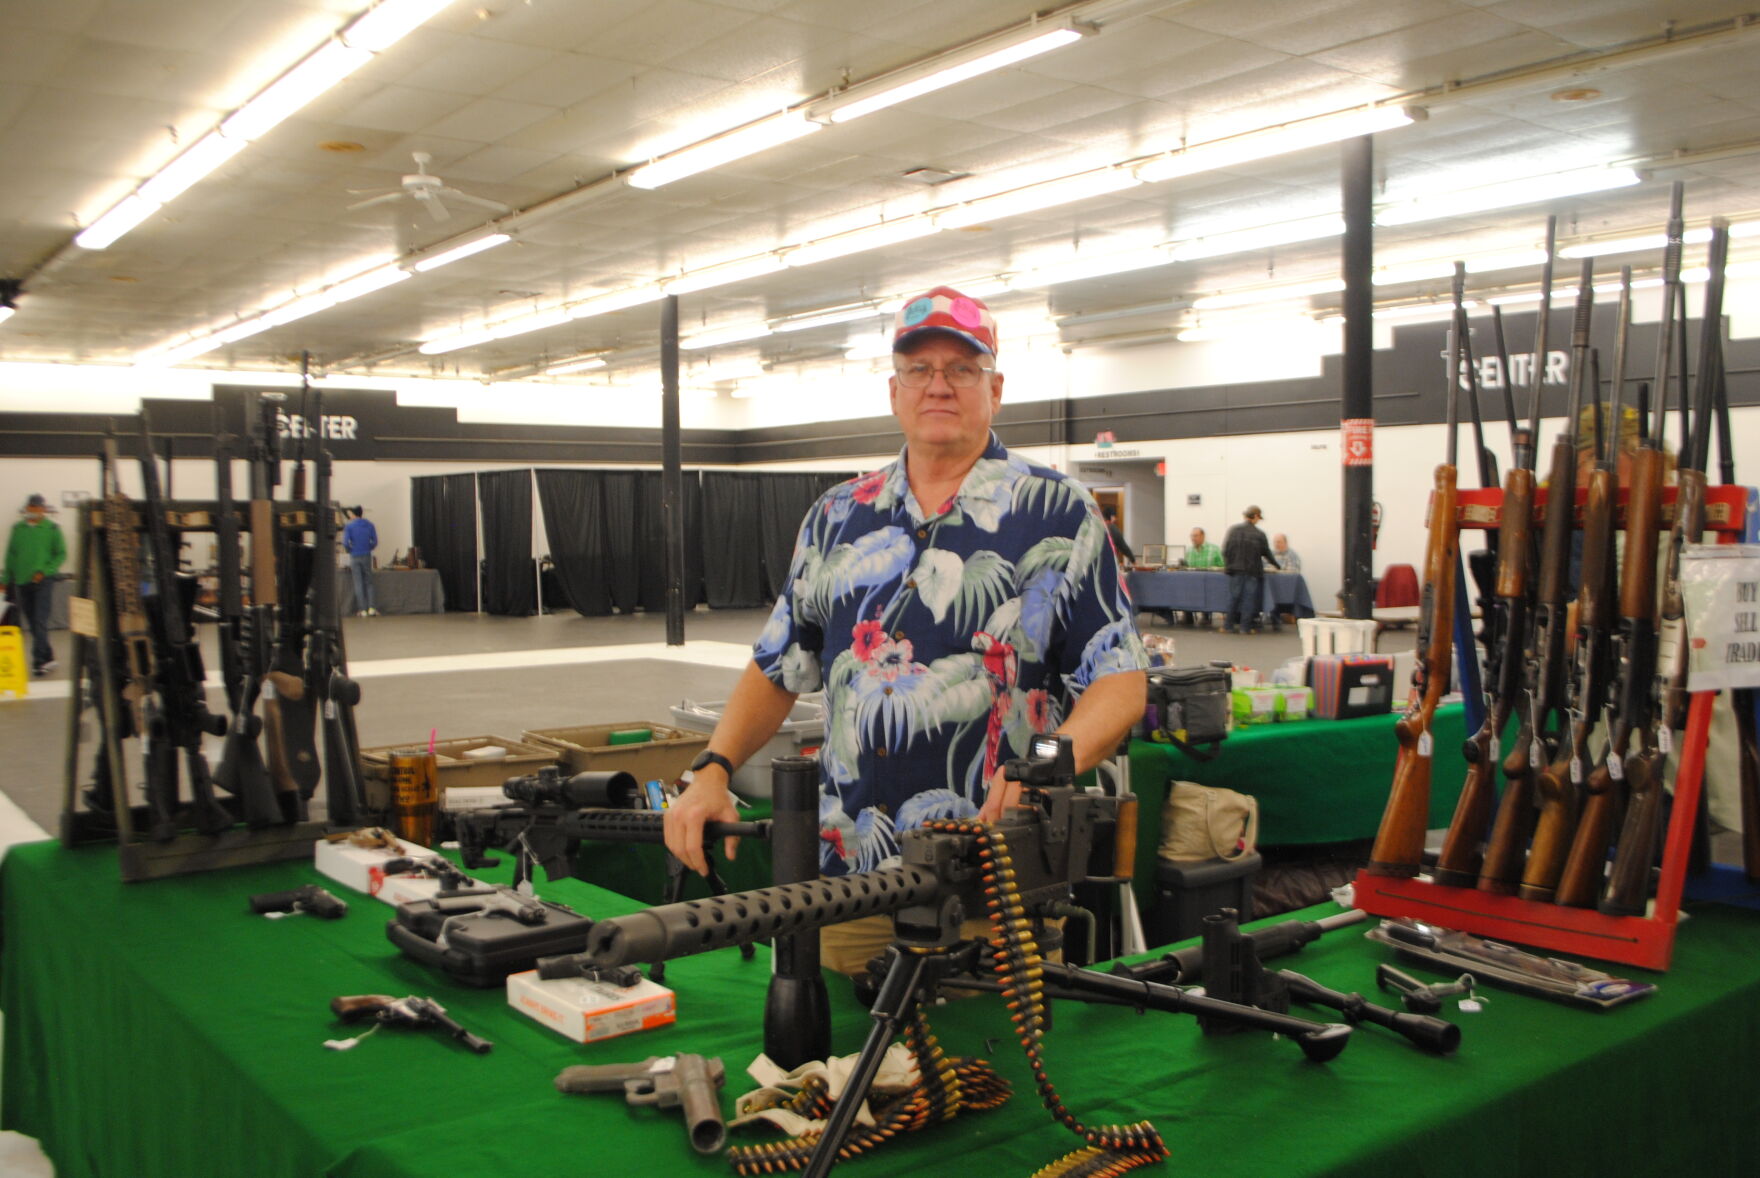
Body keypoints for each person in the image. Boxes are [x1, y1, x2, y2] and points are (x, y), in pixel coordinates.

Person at [662, 285, 1149, 976]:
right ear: (895, 392)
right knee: (832, 1070)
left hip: (996, 887)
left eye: (962, 368)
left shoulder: (1058, 512)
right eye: (919, 369)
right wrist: (711, 768)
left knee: (990, 1074)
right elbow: (778, 666)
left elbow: (1120, 682)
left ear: (996, 388)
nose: (939, 385)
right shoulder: (836, 516)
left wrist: (1043, 760)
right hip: (846, 883)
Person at [5, 494, 67, 676]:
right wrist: (5, 580)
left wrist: (45, 571)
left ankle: (38, 662)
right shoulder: (18, 529)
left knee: (40, 620)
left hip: (43, 582)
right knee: (32, 623)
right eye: (30, 508)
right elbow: (11, 556)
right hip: (22, 582)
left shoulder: (52, 529)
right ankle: (49, 657)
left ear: (43, 509)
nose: (32, 511)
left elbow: (61, 554)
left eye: (36, 508)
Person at [1222, 506, 1275, 634]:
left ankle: (1228, 626)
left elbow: (1225, 550)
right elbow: (1266, 553)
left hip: (1235, 570)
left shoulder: (1233, 530)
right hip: (1252, 571)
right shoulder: (1260, 534)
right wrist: (1276, 565)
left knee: (1233, 598)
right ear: (1256, 516)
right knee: (1248, 600)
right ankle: (1244, 627)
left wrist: (1228, 564)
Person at [1182, 526, 1223, 626]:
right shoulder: (1189, 551)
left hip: (1211, 582)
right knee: (1183, 587)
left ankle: (1206, 616)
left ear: (1203, 536)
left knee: (1207, 591)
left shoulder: (1214, 549)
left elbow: (1222, 566)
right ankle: (1187, 616)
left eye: (1195, 536)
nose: (1193, 538)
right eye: (1191, 536)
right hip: (1193, 582)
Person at [342, 506, 379, 617]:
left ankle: (362, 610)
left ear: (353, 514)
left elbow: (345, 543)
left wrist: (350, 550)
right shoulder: (370, 525)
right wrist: (369, 547)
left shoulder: (349, 526)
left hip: (355, 556)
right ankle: (372, 608)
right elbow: (375, 541)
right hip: (366, 555)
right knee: (369, 582)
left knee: (358, 583)